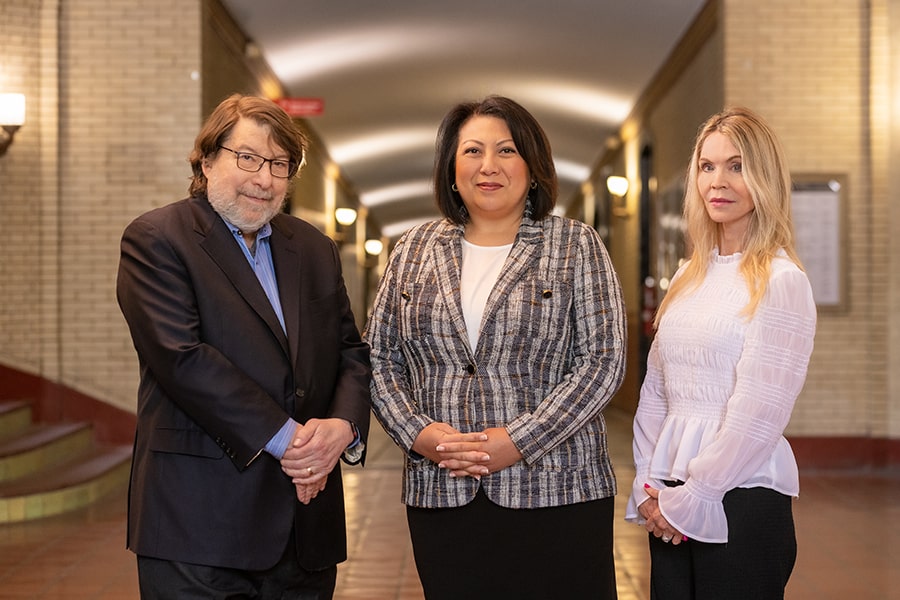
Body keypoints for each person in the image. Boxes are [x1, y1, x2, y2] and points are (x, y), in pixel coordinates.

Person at [364, 95, 627, 599]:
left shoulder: (575, 245)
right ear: (451, 166)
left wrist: (518, 441)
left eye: (506, 151)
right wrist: (419, 435)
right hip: (442, 488)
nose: (488, 167)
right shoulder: (413, 249)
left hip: (557, 488)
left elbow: (603, 361)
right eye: (472, 151)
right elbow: (378, 358)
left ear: (532, 164)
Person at [116, 93, 371, 599]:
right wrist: (295, 443)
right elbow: (181, 358)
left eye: (280, 164)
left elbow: (350, 352)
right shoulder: (157, 239)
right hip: (200, 526)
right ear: (207, 160)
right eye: (248, 158)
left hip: (305, 529)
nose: (265, 179)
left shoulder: (315, 249)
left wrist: (343, 427)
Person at [625, 107, 817, 599]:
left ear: (764, 178)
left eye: (736, 166)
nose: (719, 180)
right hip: (670, 489)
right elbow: (656, 392)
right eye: (707, 166)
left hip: (741, 494)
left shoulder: (782, 281)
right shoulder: (689, 276)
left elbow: (759, 414)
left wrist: (698, 495)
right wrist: (650, 484)